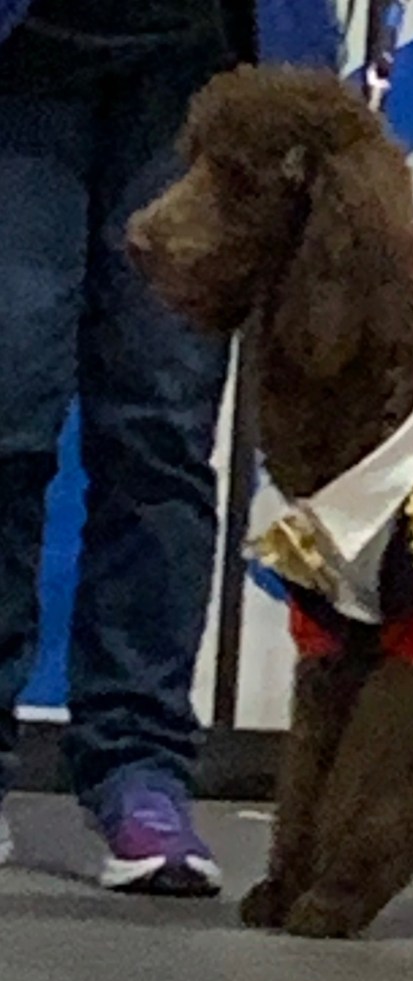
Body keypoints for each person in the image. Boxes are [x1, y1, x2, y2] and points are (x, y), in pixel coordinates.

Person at [0, 0, 246, 895]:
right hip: (18, 58)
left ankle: (142, 770)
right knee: (4, 417)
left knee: (164, 430)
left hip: (201, 60)